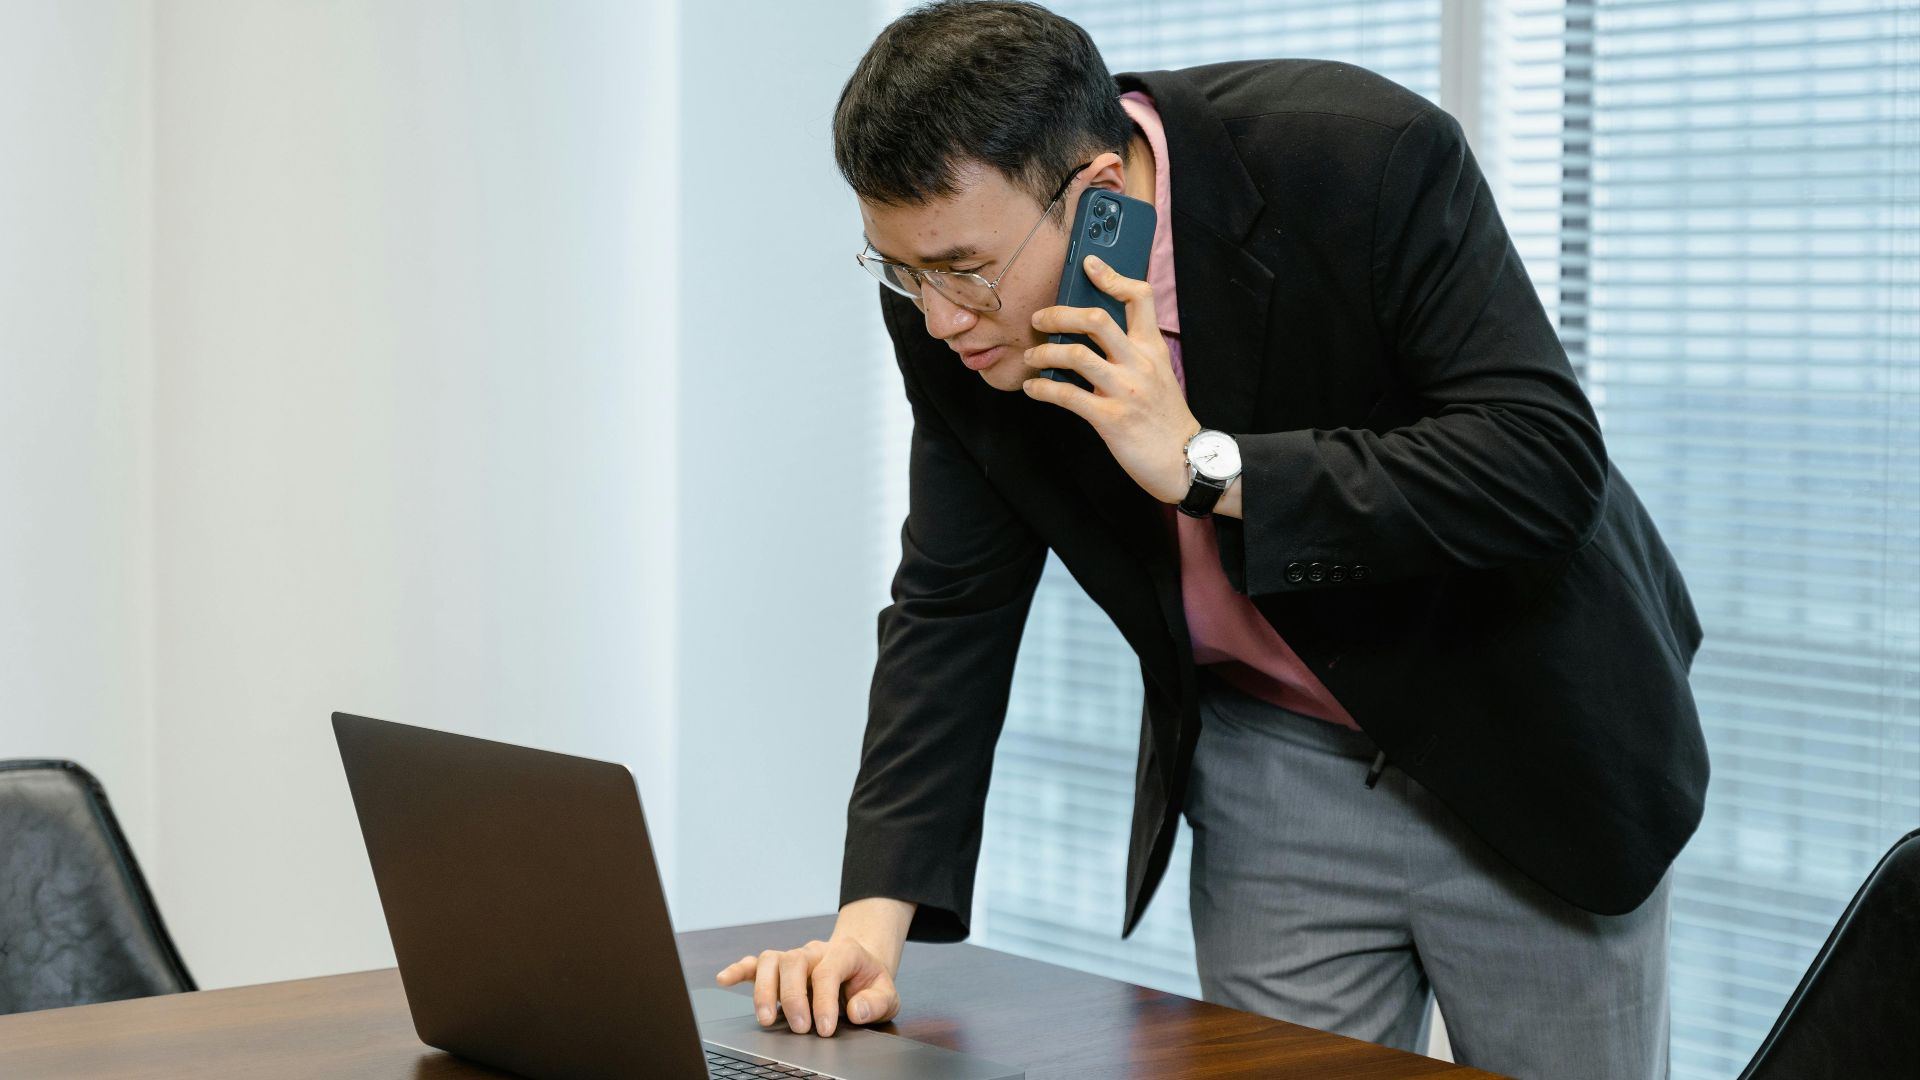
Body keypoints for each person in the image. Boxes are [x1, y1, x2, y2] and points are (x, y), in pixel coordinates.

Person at [715, 3, 1708, 1077]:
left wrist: (1204, 465)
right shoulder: (948, 292)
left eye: (960, 270)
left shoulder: (1362, 157)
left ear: (1095, 195)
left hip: (1519, 731)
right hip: (1271, 761)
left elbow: (1541, 461)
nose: (940, 316)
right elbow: (954, 601)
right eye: (901, 270)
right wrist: (871, 918)